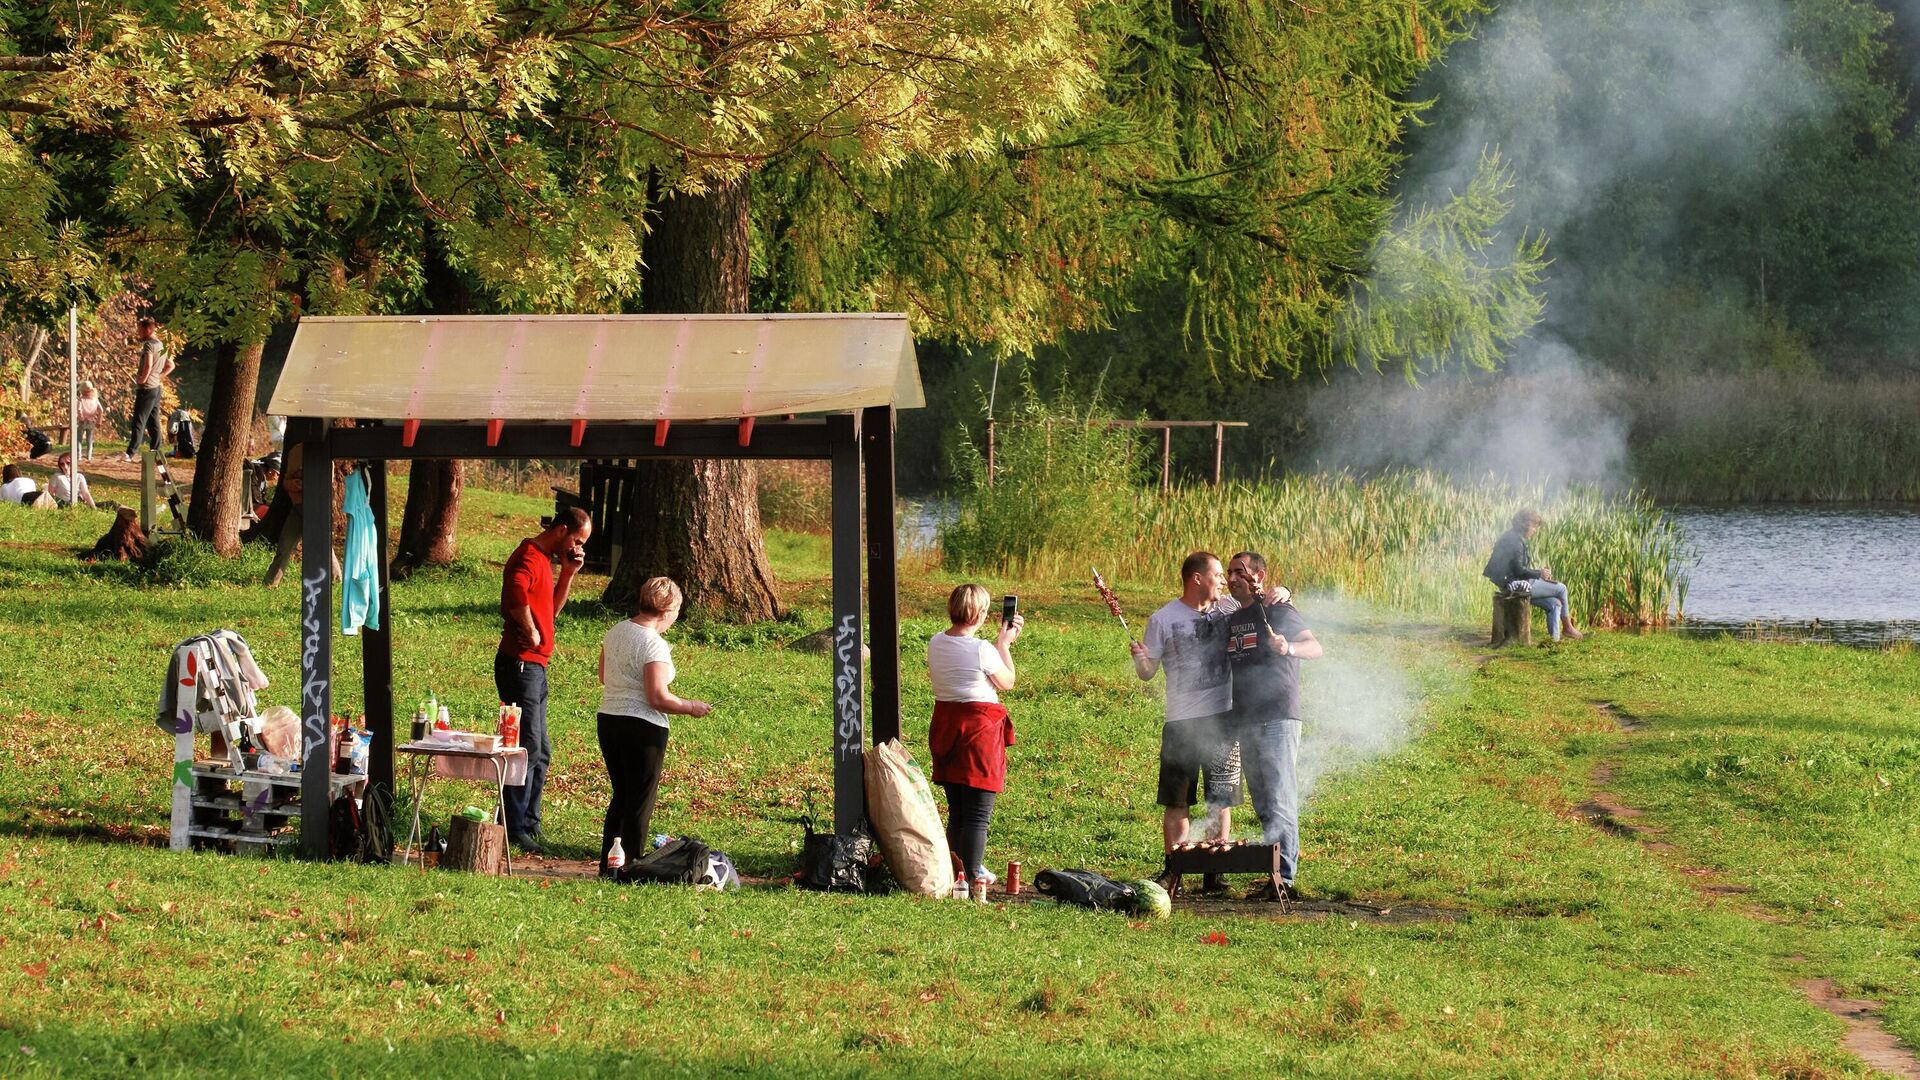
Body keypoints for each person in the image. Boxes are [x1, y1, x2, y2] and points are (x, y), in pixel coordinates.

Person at [1130, 551, 1242, 882]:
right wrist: (1140, 660)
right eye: (1218, 575)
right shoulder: (1163, 619)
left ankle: (1214, 868)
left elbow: (1264, 607)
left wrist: (1283, 594)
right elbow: (1148, 672)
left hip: (1223, 718)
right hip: (1181, 722)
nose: (1224, 581)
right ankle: (1174, 868)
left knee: (1220, 797)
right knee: (1177, 799)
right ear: (1197, 579)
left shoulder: (1229, 609)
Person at [595, 576, 712, 877]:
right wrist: (691, 707)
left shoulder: (616, 632)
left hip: (609, 719)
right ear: (669, 609)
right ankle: (632, 863)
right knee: (639, 799)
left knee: (621, 794)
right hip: (643, 727)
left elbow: (604, 676)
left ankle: (609, 863)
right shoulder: (653, 644)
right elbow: (657, 697)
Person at [1223, 550, 1322, 900]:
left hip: (1278, 715)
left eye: (1239, 572)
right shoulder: (1235, 618)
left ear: (1258, 575)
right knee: (1263, 800)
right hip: (1246, 718)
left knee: (1280, 797)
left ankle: (1287, 880)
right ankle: (1273, 877)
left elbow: (1315, 647)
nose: (1232, 578)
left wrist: (1288, 647)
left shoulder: (1279, 610)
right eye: (1229, 572)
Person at [497, 506, 591, 854]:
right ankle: (513, 825)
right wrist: (531, 630)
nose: (579, 547)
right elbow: (517, 597)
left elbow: (549, 610)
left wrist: (568, 573)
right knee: (526, 747)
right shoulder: (527, 555)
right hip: (519, 665)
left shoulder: (546, 561)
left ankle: (529, 825)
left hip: (536, 667)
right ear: (562, 529)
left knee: (542, 750)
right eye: (578, 540)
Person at [928, 584, 1024, 902]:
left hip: (946, 727)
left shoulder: (936, 643)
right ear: (981, 614)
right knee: (978, 816)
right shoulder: (982, 649)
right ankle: (970, 880)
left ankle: (953, 876)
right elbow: (1007, 681)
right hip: (979, 732)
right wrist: (1004, 644)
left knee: (957, 812)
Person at [1484, 508, 1584, 642]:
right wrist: (1540, 573)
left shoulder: (1512, 536)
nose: (1535, 530)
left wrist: (1537, 573)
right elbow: (1519, 570)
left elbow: (1515, 568)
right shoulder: (1515, 541)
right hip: (1513, 584)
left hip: (1511, 582)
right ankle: (1568, 627)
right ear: (1525, 525)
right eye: (1534, 526)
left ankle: (1554, 641)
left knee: (1555, 603)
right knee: (1562, 588)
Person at [263, 443, 341, 587]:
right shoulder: (296, 452)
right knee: (285, 546)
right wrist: (294, 484)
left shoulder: (324, 452)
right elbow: (286, 482)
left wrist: (306, 485)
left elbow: (325, 484)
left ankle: (336, 579)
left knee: (323, 545)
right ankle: (270, 583)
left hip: (317, 508)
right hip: (298, 507)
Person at [123, 317, 174, 461]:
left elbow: (148, 365)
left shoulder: (149, 345)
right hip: (156, 388)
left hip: (146, 389)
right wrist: (159, 376)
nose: (138, 333)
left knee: (138, 421)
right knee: (153, 420)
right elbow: (171, 365)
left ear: (148, 329)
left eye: (139, 329)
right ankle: (155, 450)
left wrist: (143, 379)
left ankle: (130, 453)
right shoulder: (161, 344)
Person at [74, 382, 104, 460]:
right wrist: (99, 421)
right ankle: (89, 455)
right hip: (92, 422)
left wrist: (81, 418)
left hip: (82, 421)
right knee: (89, 439)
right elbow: (101, 410)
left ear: (83, 391)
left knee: (78, 439)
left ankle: (78, 455)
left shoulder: (81, 400)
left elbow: (79, 410)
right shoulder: (95, 399)